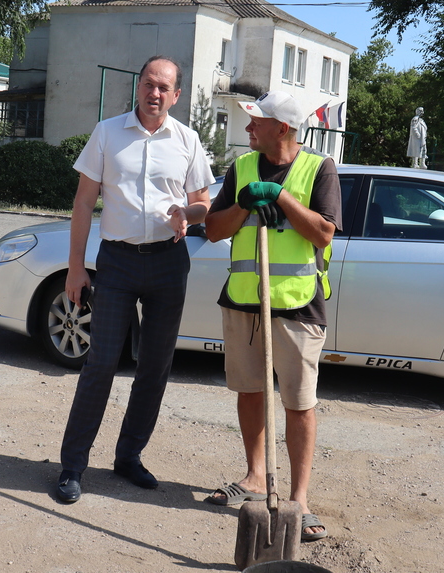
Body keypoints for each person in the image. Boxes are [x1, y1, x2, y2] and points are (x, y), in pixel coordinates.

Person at [54, 56, 213, 503]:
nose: (154, 93)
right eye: (148, 84)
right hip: (118, 264)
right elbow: (84, 202)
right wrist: (76, 265)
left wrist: (188, 213)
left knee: (154, 367)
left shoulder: (188, 140)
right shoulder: (107, 133)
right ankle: (73, 465)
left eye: (164, 87)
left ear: (176, 95)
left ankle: (128, 457)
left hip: (168, 264)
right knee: (101, 362)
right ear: (138, 87)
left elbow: (204, 203)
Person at [202, 91, 341, 542]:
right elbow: (214, 229)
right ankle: (255, 478)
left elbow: (322, 233)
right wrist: (244, 204)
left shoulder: (319, 169)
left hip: (298, 306)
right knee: (249, 391)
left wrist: (281, 198)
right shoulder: (241, 169)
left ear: (282, 127)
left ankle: (298, 499)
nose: (248, 129)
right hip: (244, 301)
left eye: (256, 121)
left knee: (299, 403)